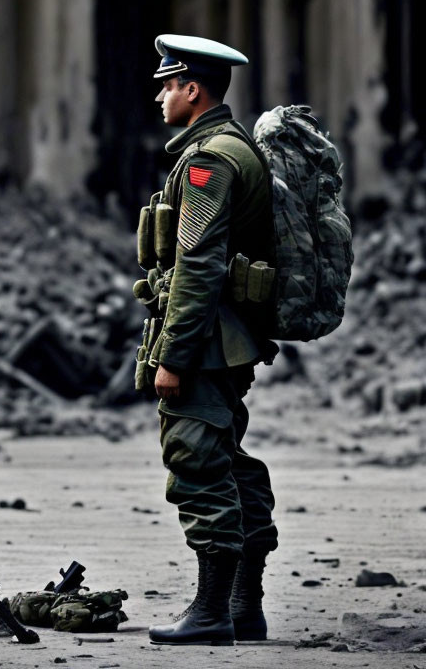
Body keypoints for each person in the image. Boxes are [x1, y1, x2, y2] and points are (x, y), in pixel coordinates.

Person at [133, 35, 279, 646]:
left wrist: (173, 355)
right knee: (226, 458)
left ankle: (213, 612)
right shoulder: (227, 146)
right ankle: (244, 607)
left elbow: (197, 265)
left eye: (170, 85)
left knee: (194, 458)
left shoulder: (210, 160)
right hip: (229, 336)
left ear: (194, 90)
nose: (162, 94)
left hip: (210, 339)